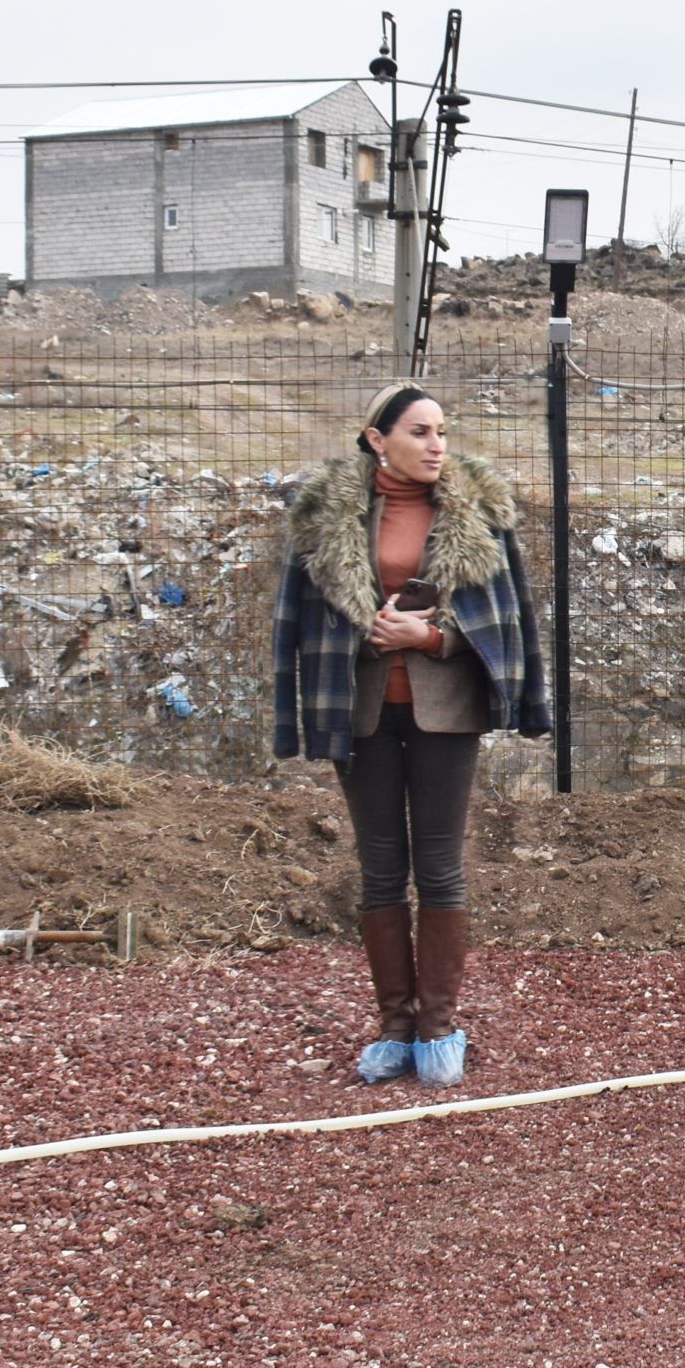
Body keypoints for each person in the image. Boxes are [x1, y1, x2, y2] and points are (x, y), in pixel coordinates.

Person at [272, 382, 551, 1087]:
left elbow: (510, 619)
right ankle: (393, 1028)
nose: (437, 446)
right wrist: (356, 632)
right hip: (356, 703)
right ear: (377, 439)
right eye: (421, 432)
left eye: (443, 433)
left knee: (440, 863)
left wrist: (429, 635)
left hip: (445, 706)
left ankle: (439, 1027)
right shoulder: (324, 517)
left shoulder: (478, 512)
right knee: (379, 866)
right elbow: (293, 620)